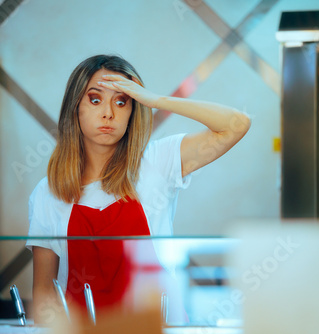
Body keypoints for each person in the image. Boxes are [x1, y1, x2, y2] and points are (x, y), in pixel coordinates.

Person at [25, 54, 251, 325]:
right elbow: (43, 293)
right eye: (95, 99)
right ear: (75, 107)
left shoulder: (158, 161)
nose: (108, 113)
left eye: (121, 102)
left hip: (160, 327)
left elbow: (236, 125)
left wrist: (155, 100)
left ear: (134, 110)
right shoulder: (48, 192)